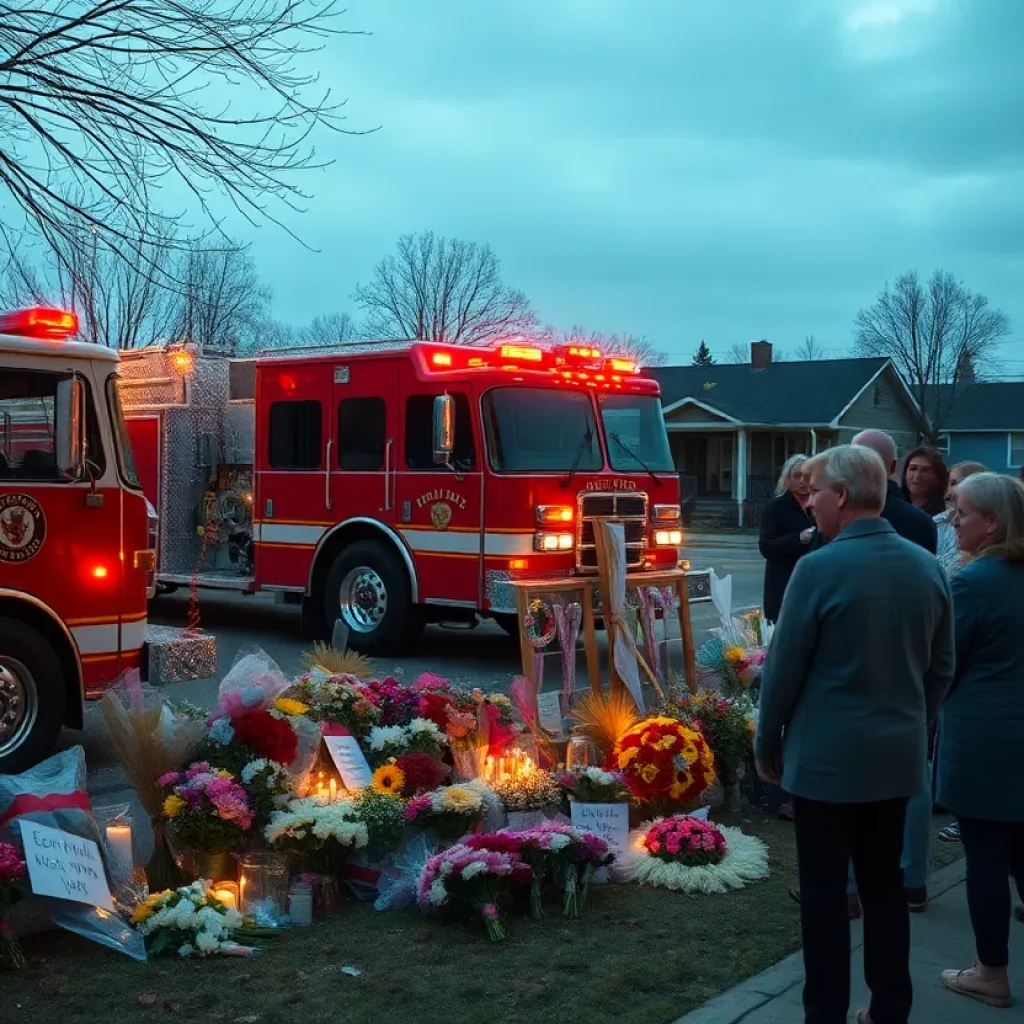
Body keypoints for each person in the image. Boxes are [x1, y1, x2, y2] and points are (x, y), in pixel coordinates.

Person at [756, 445, 954, 1024]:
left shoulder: (817, 568)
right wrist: (915, 723)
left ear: (841, 496)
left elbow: (784, 670)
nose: (809, 501)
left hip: (825, 763)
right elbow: (943, 666)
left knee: (823, 892)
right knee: (885, 885)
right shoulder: (927, 565)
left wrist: (768, 744)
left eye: (815, 490)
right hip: (897, 758)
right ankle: (891, 1008)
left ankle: (826, 1012)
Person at [937, 473, 1024, 1009]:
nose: (953, 520)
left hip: (987, 740)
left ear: (991, 522)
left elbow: (944, 662)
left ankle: (991, 972)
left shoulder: (973, 584)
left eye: (961, 512)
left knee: (987, 857)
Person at [759, 454, 814, 623]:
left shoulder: (820, 503)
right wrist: (798, 539)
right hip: (783, 583)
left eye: (808, 476)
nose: (803, 481)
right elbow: (766, 546)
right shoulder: (776, 508)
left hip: (813, 583)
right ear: (787, 479)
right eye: (797, 476)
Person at [935, 461, 987, 580]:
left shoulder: (983, 525)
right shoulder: (936, 521)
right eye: (948, 484)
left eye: (954, 483)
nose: (949, 491)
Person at [901, 446, 950, 518]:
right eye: (913, 469)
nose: (917, 476)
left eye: (925, 470)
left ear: (937, 476)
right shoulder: (893, 505)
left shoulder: (945, 512)